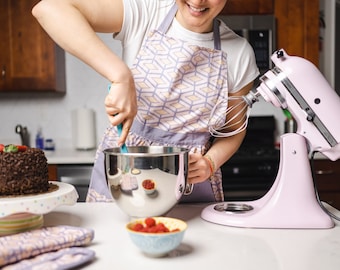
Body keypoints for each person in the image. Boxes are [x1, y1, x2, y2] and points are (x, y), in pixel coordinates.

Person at [32, 0, 259, 203]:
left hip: (189, 186)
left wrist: (210, 162)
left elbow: (232, 131)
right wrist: (120, 75)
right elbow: (49, 9)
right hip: (125, 173)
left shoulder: (239, 53)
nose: (198, 1)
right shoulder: (146, 11)